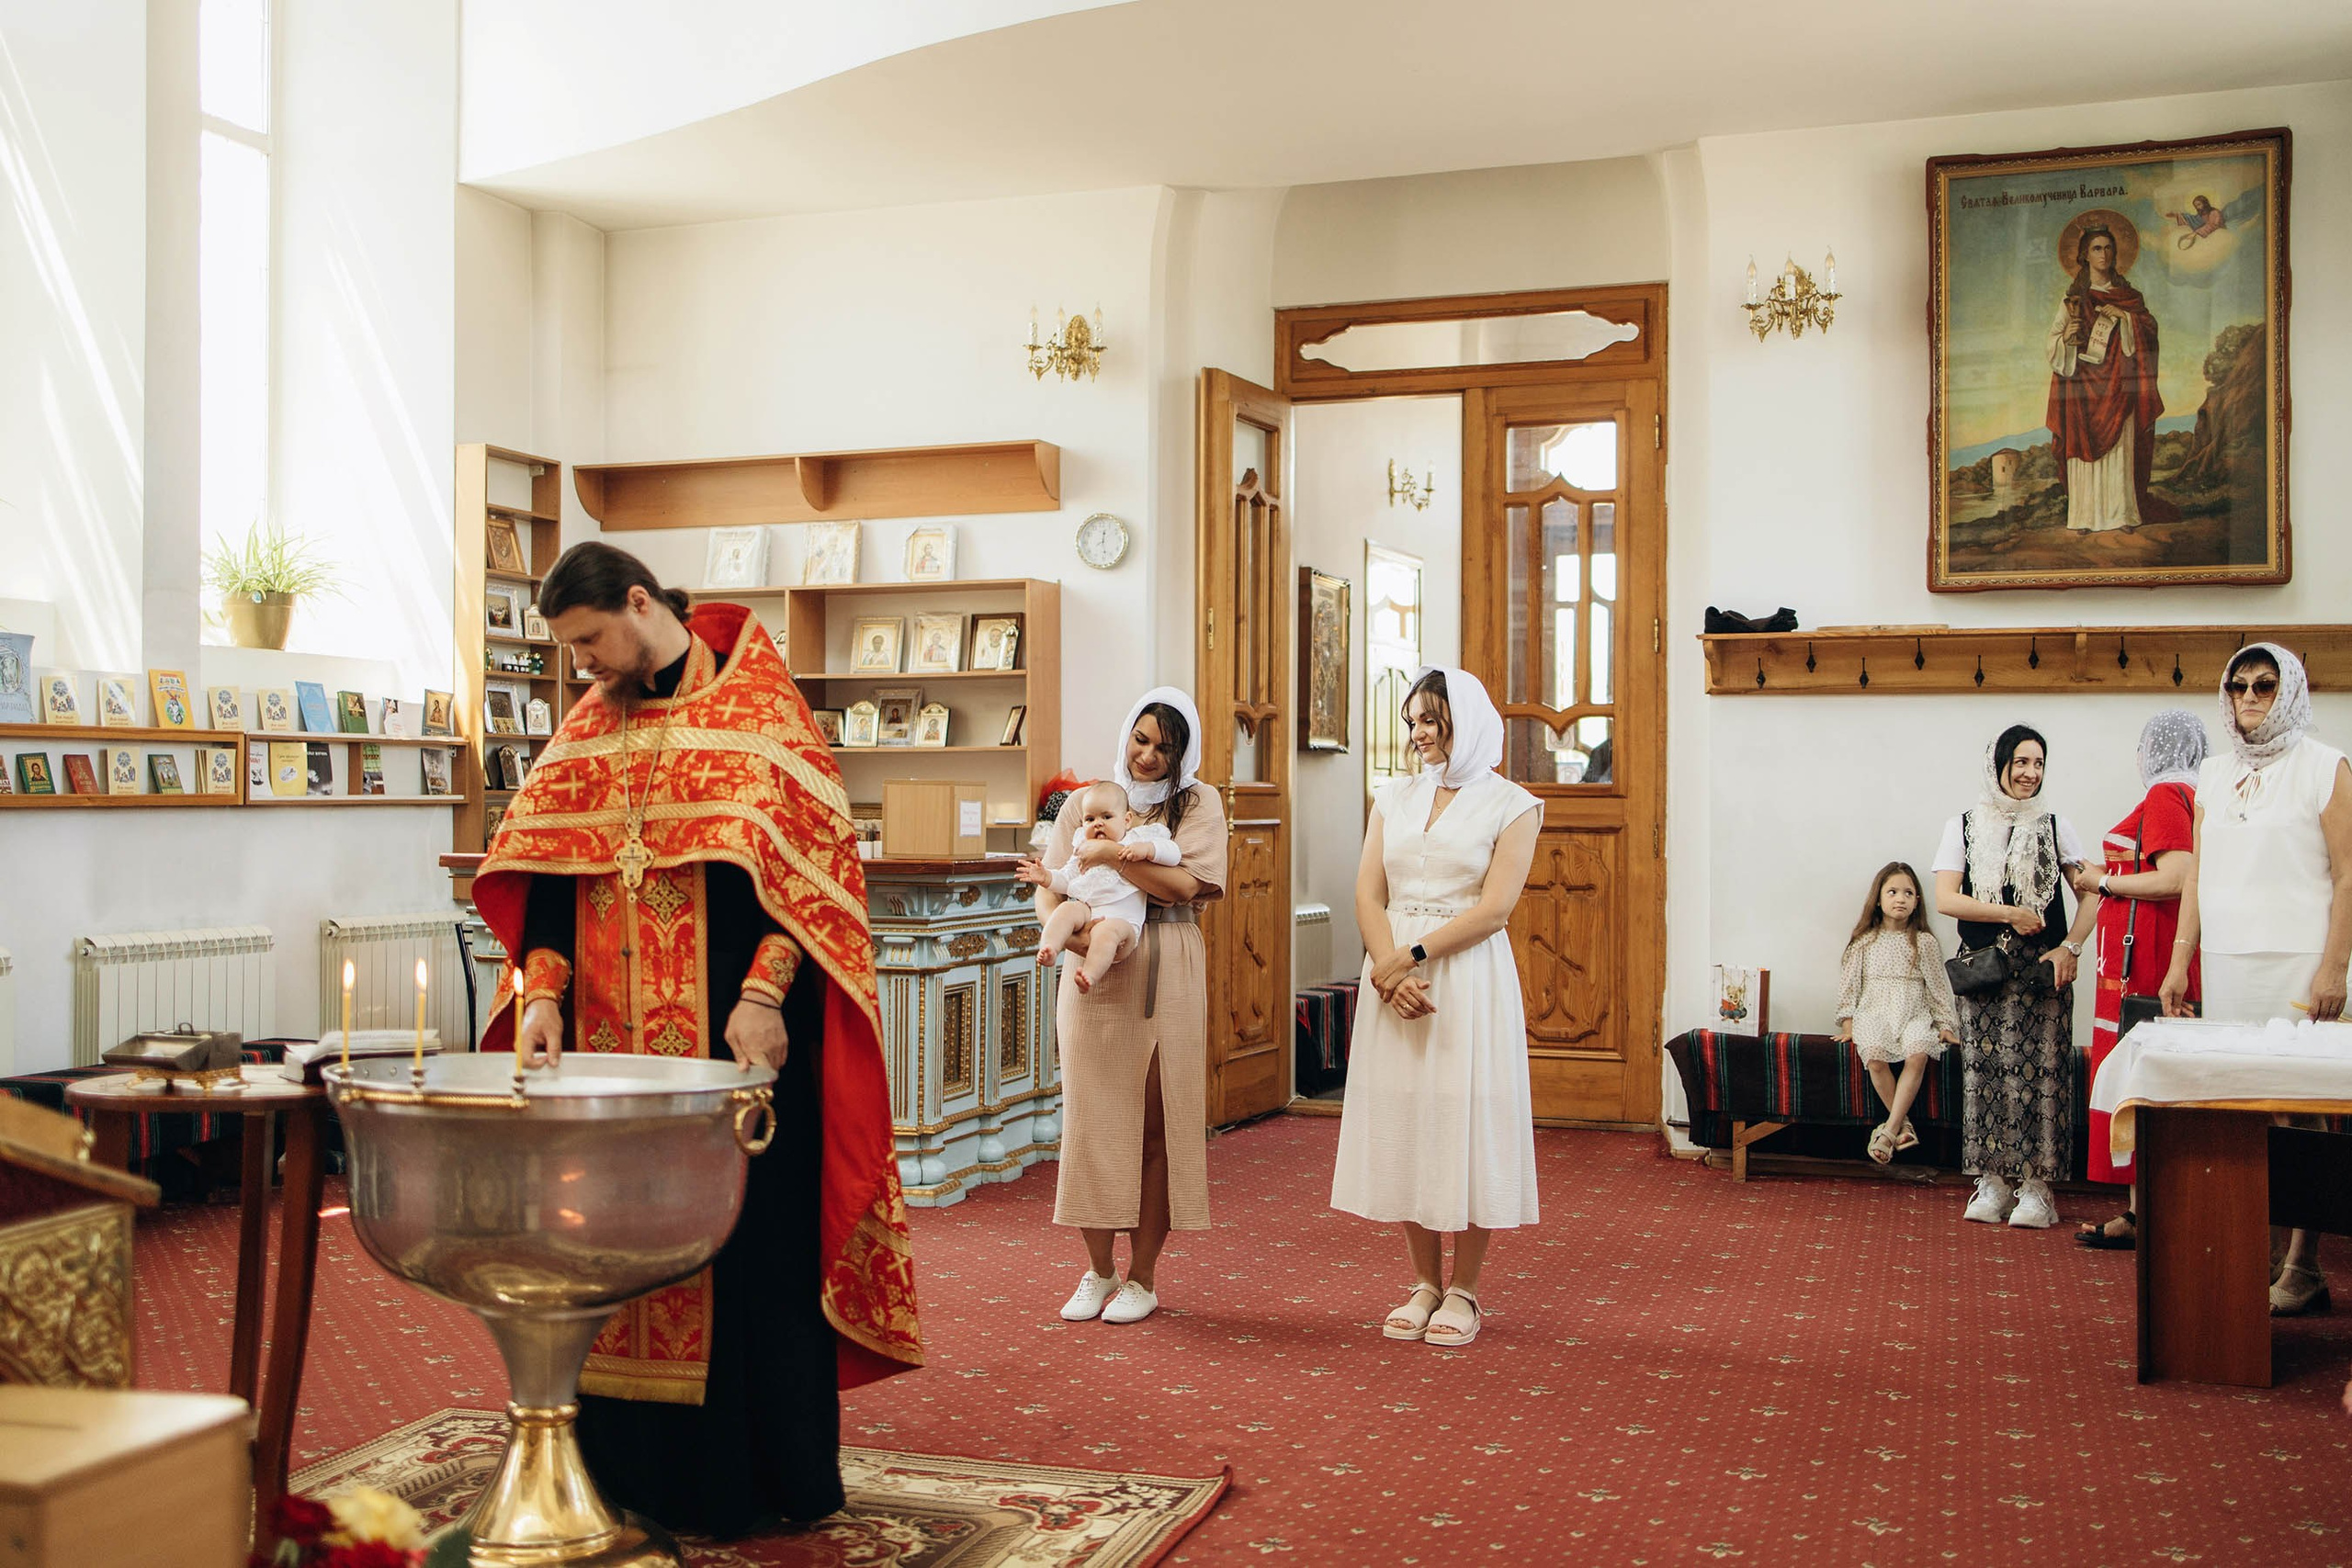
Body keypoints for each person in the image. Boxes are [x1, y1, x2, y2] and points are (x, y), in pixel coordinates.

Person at [471, 542, 923, 1535]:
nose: (581, 664)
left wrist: (766, 994)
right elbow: (547, 880)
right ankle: (620, 1479)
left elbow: (812, 881)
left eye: (591, 639)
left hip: (732, 1050)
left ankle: (747, 1485)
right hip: (607, 1054)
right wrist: (540, 994)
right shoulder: (593, 725)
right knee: (605, 1254)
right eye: (569, 648)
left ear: (640, 604)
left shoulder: (760, 710)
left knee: (744, 1253)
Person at [1330, 668, 1542, 1348]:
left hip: (1465, 977)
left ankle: (1467, 1289)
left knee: (1466, 1114)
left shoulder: (1514, 804)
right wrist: (1386, 971)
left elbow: (1495, 908)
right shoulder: (1392, 795)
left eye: (1429, 719)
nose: (1417, 733)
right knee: (1405, 1116)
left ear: (1465, 720)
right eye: (1412, 722)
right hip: (1393, 972)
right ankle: (1424, 1280)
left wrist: (1408, 958)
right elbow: (1367, 892)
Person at [2160, 646, 2352, 1314]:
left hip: (2301, 962)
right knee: (2244, 1109)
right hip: (2232, 962)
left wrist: (2336, 965)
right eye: (2238, 684)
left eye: (2265, 685)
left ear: (2290, 690)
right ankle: (2254, 1251)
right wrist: (2181, 959)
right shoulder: (2212, 773)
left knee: (2304, 1112)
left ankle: (2305, 1263)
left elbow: (2349, 872)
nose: (2249, 695)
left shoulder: (2325, 766)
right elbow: (2197, 875)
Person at [1028, 688, 1226, 1326]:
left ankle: (1142, 1276)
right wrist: (1075, 928)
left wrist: (1113, 854)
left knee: (1155, 1123)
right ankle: (1098, 1269)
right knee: (1090, 1117)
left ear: (1182, 751)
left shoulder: (1197, 803)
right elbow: (1054, 881)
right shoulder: (1087, 799)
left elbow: (1183, 886)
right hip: (1092, 960)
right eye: (1141, 740)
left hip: (1166, 957)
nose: (1148, 755)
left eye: (1164, 746)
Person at [1932, 725, 2098, 1229]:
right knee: (1984, 1074)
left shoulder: (2053, 825)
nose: (2030, 774)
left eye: (2038, 764)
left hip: (2041, 973)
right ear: (1998, 764)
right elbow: (1946, 899)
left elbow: (2095, 890)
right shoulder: (1962, 825)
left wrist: (2071, 946)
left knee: (2042, 1076)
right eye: (2021, 762)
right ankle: (1992, 1182)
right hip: (1984, 968)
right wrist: (2009, 914)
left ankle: (2037, 1190)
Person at [2077, 709, 2208, 1250]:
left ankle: (2149, 1210)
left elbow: (2177, 876)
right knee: (2142, 1076)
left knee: (2142, 1075)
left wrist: (2101, 882)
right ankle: (2139, 1209)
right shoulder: (2182, 793)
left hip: (2150, 958)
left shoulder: (2165, 794)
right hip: (2142, 954)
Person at [2045, 220, 2177, 533]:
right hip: (2081, 390)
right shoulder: (2073, 300)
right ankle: (2084, 518)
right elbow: (2053, 342)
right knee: (2084, 451)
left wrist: (2127, 318)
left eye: (2108, 248)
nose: (2103, 254)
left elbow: (2150, 331)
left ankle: (2122, 515)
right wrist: (2067, 338)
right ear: (2084, 256)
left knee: (2120, 449)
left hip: (2120, 386)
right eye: (2096, 249)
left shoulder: (2129, 297)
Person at [1833, 862, 1961, 1165]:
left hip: (1914, 1012)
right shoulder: (1864, 941)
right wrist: (1849, 1025)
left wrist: (1945, 1024)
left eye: (1908, 893)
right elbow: (1848, 988)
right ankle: (1902, 1127)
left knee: (1918, 1054)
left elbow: (1937, 987)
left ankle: (1888, 1132)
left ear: (1917, 900)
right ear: (1879, 898)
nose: (1900, 898)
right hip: (1874, 1012)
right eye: (1892, 892)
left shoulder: (1924, 942)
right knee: (1875, 1058)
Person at [1015, 780, 1182, 994]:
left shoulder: (1138, 839)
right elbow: (1067, 879)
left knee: (1106, 932)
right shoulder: (1083, 847)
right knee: (1066, 909)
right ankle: (1049, 947)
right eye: (1090, 819)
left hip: (1124, 924)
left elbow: (1174, 854)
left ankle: (1090, 975)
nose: (1098, 824)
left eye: (1106, 817)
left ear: (1127, 820)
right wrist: (1046, 877)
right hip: (1088, 912)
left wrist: (1148, 850)